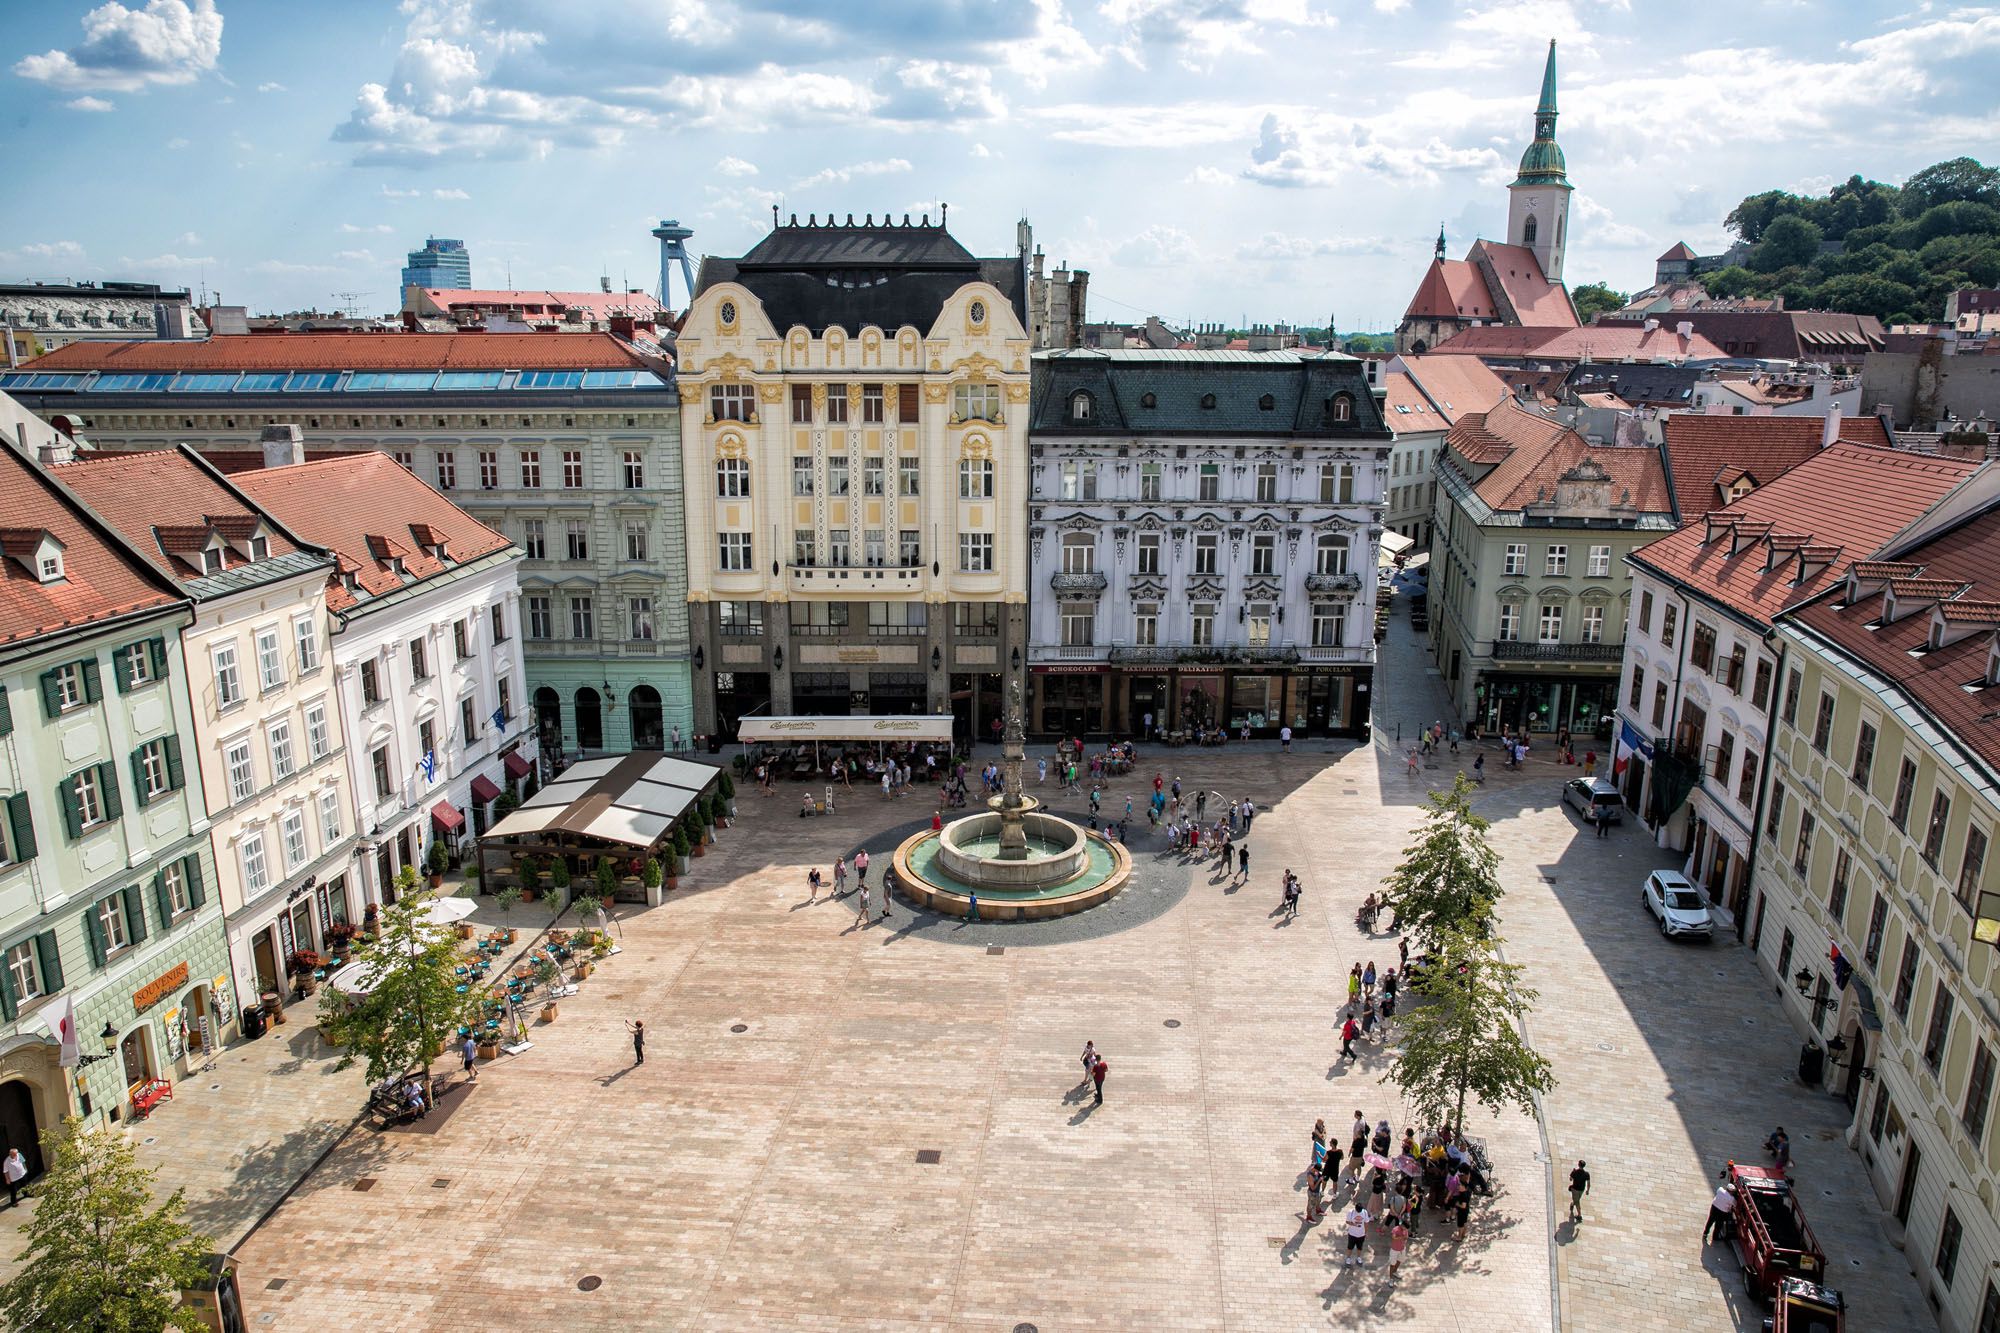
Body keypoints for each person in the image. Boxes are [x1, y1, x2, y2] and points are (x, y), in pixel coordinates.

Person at [1702, 1178, 1737, 1243]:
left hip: (1714, 1208)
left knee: (1710, 1221)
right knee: (1718, 1225)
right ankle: (1715, 1237)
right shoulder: (1731, 1199)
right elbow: (1735, 1204)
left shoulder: (1720, 1190)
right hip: (1722, 1212)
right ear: (1731, 1191)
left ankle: (1705, 1233)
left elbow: (1720, 1189)